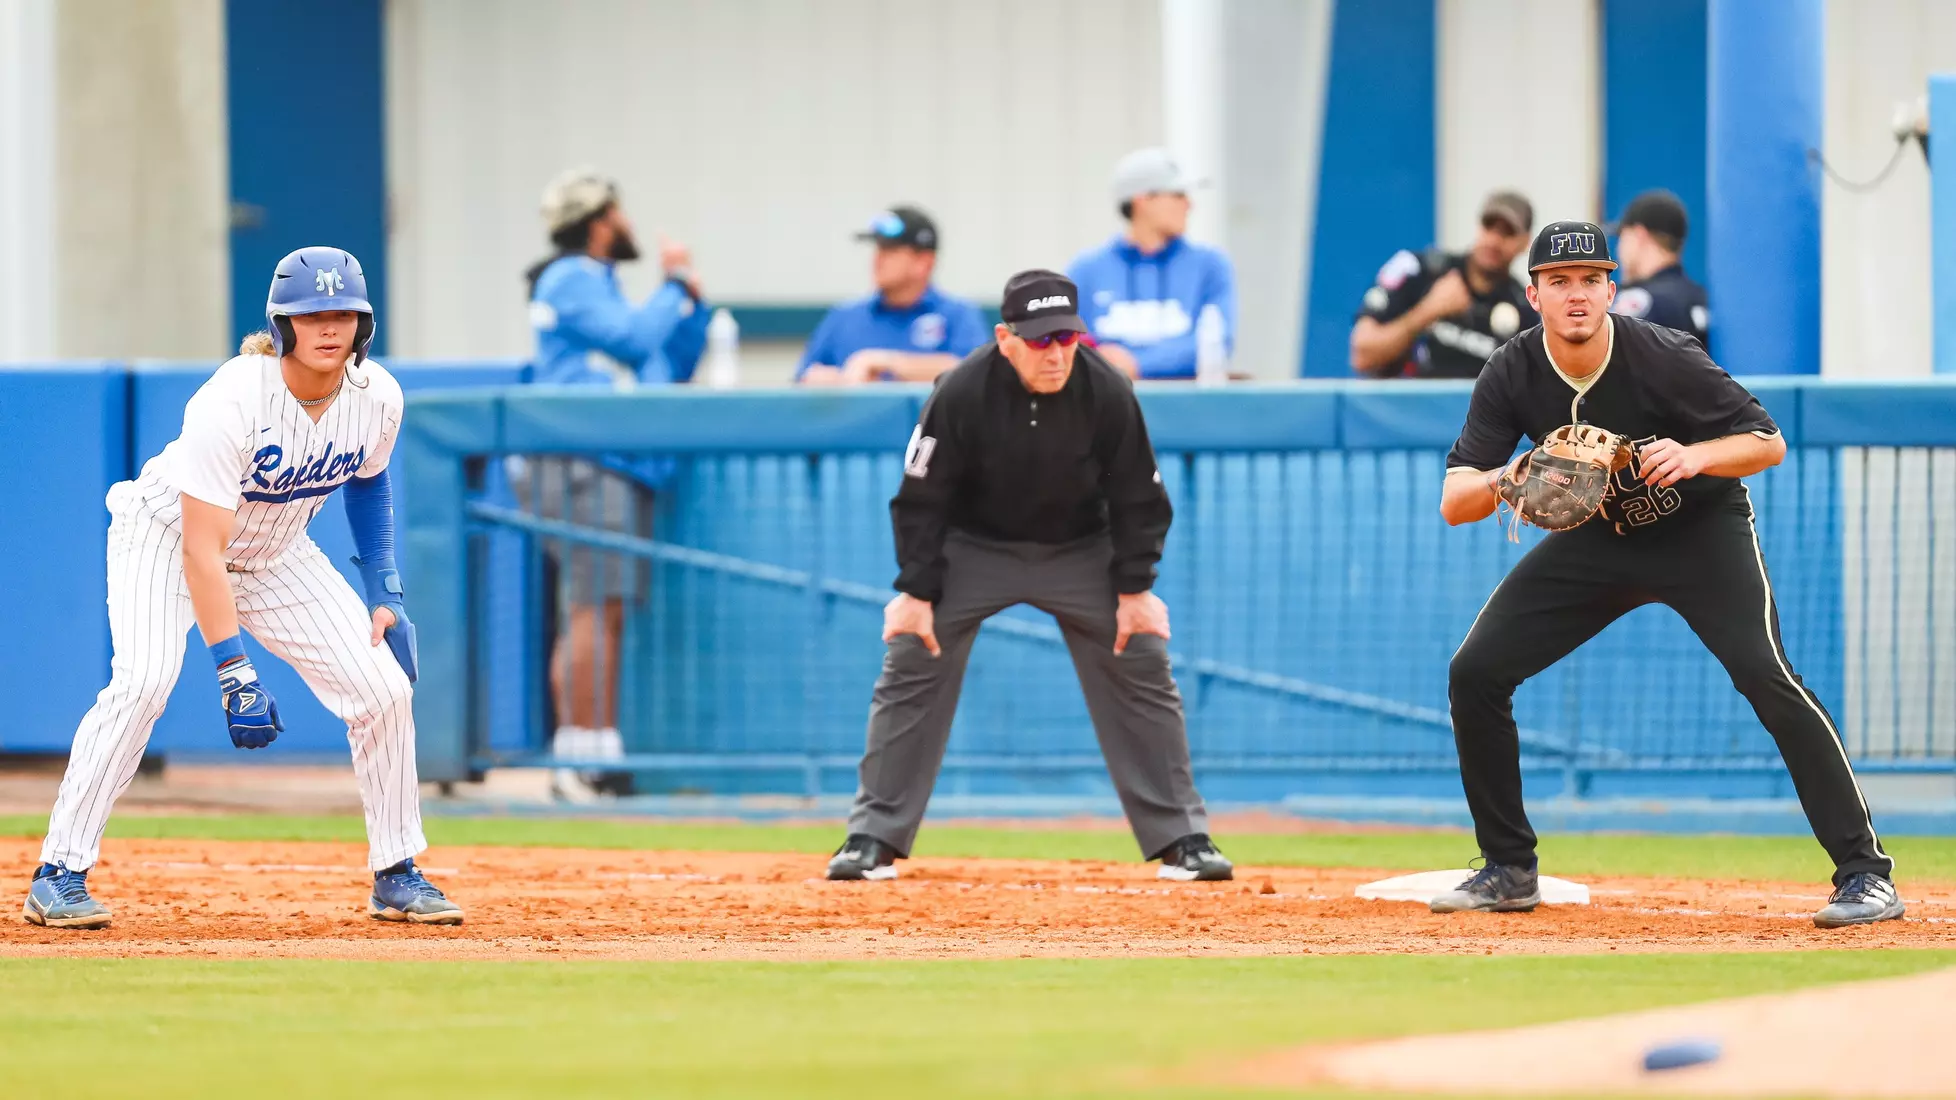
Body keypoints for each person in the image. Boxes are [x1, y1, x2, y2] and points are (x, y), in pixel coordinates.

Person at [1435, 221, 1899, 927]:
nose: (1577, 294)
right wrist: (1509, 475)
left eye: (1591, 279)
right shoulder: (1512, 370)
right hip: (1601, 540)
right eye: (1559, 282)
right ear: (1533, 296)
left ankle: (1865, 873)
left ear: (1613, 289)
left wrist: (1696, 456)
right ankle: (1508, 869)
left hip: (1700, 532)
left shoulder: (1662, 355)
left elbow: (1766, 443)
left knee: (1765, 675)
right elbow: (1453, 501)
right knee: (1476, 671)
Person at [24, 247, 461, 929]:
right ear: (282, 324)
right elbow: (203, 547)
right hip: (167, 539)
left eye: (343, 312)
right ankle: (59, 871)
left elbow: (370, 485)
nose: (329, 327)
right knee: (143, 684)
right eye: (312, 314)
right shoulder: (233, 398)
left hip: (278, 549)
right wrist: (234, 670)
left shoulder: (378, 397)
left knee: (383, 690)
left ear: (363, 324)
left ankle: (397, 871)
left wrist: (386, 590)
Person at [826, 270, 1231, 883]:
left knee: (1140, 653)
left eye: (1067, 338)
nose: (1056, 353)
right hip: (974, 547)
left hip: (1080, 549)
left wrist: (1135, 589)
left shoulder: (1107, 390)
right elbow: (921, 499)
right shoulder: (961, 390)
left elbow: (1140, 499)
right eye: (1040, 341)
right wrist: (914, 591)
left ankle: (1183, 838)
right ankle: (871, 837)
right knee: (912, 652)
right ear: (1005, 338)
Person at [523, 167, 710, 802]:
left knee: (603, 610)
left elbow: (668, 361)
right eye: (618, 213)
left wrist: (689, 304)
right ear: (600, 220)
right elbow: (634, 342)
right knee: (589, 608)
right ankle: (578, 757)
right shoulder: (571, 276)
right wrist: (675, 283)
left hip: (614, 463)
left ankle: (597, 750)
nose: (626, 224)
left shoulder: (606, 290)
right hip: (581, 460)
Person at [1066, 148, 1237, 380]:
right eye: (1178, 195)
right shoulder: (1086, 270)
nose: (1189, 205)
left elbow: (1217, 343)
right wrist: (1105, 365)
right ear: (1143, 200)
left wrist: (1136, 364)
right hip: (1105, 408)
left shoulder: (1210, 265)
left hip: (1185, 409)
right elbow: (1068, 343)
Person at [1350, 191, 1537, 379]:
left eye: (1508, 232)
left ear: (1525, 243)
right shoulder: (1418, 270)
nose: (1494, 241)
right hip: (1405, 406)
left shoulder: (1526, 310)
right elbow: (1362, 355)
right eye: (1489, 226)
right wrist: (1428, 311)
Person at [797, 206, 989, 385]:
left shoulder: (958, 316)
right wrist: (823, 382)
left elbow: (976, 373)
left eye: (890, 250)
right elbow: (803, 379)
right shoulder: (843, 317)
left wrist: (885, 362)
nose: (877, 258)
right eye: (878, 249)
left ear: (924, 263)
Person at [1608, 189, 1709, 347]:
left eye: (1622, 236)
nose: (1619, 248)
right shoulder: (1700, 297)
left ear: (1639, 235)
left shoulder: (1640, 300)